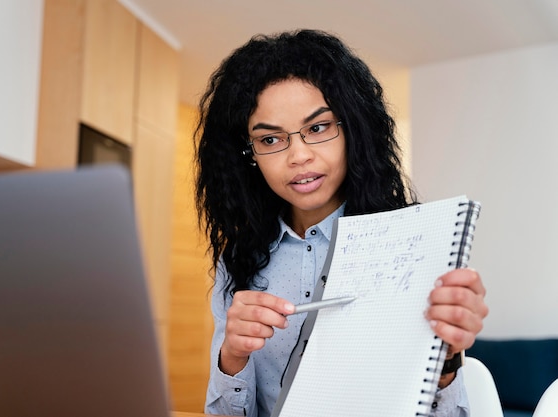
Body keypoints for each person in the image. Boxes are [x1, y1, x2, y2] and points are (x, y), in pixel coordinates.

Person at [194, 29, 488, 417]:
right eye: (270, 140)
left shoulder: (414, 248)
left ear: (354, 130)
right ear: (248, 154)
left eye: (318, 128)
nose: (298, 155)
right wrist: (232, 355)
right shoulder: (239, 259)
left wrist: (448, 359)